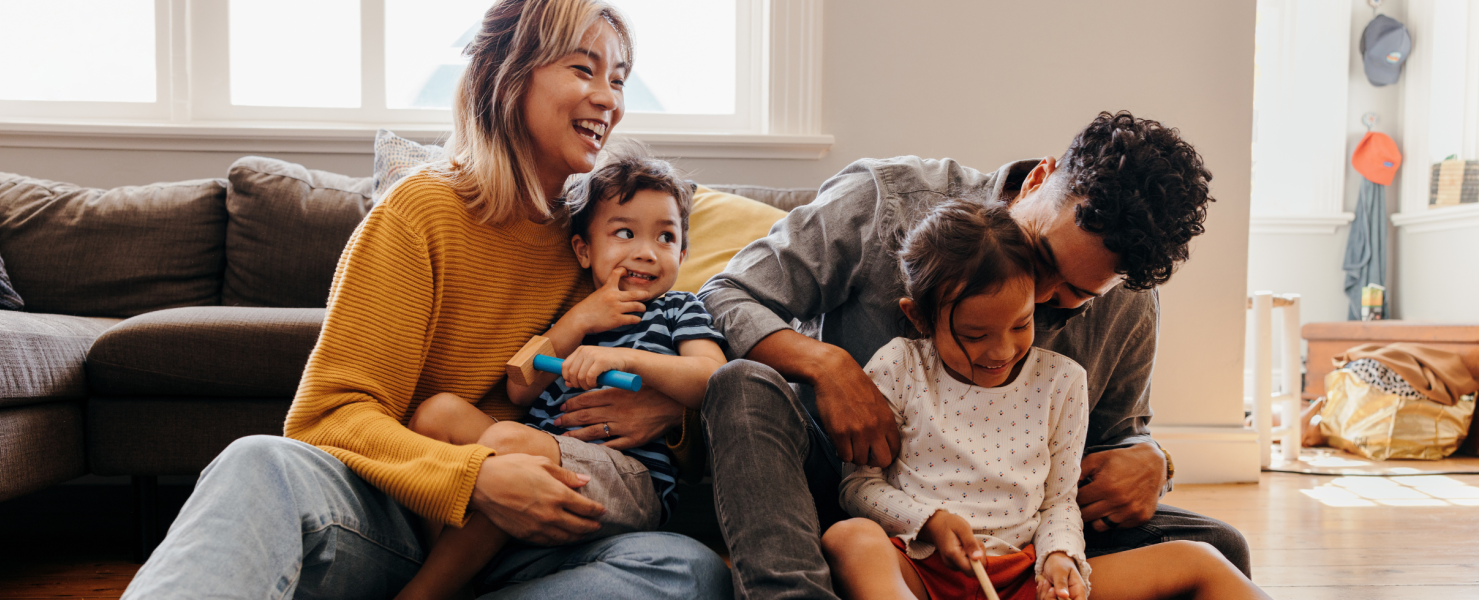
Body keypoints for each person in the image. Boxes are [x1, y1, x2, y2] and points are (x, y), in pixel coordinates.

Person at [122, 2, 731, 598]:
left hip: (542, 539)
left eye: (618, 79)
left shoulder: (599, 239)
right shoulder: (421, 212)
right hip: (397, 521)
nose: (610, 99)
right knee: (258, 464)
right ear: (509, 74)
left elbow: (685, 387)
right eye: (583, 69)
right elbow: (326, 416)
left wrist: (670, 418)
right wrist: (475, 479)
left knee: (688, 570)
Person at [698, 111, 1248, 599]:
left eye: (1071, 298)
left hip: (1016, 527)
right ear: (1039, 180)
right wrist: (827, 366)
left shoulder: (1127, 302)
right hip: (845, 482)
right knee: (742, 386)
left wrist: (1152, 459)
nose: (1035, 297)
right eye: (1042, 258)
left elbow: (1116, 435)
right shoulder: (884, 202)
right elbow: (725, 294)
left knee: (1221, 547)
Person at [820, 202, 1268, 600]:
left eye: (1021, 324)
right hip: (918, 567)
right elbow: (858, 487)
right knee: (849, 539)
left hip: (1021, 575)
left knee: (1202, 558)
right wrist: (929, 520)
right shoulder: (900, 365)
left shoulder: (1062, 381)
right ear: (918, 316)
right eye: (975, 335)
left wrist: (1060, 557)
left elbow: (1059, 502)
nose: (1000, 351)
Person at [396, 153, 727, 600]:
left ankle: (424, 593)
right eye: (625, 233)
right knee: (438, 415)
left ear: (682, 253)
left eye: (666, 237)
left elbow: (713, 378)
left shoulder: (677, 309)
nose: (646, 252)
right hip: (543, 451)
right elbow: (519, 386)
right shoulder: (572, 314)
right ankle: (458, 573)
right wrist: (576, 323)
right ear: (584, 250)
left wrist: (632, 363)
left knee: (508, 447)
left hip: (627, 476)